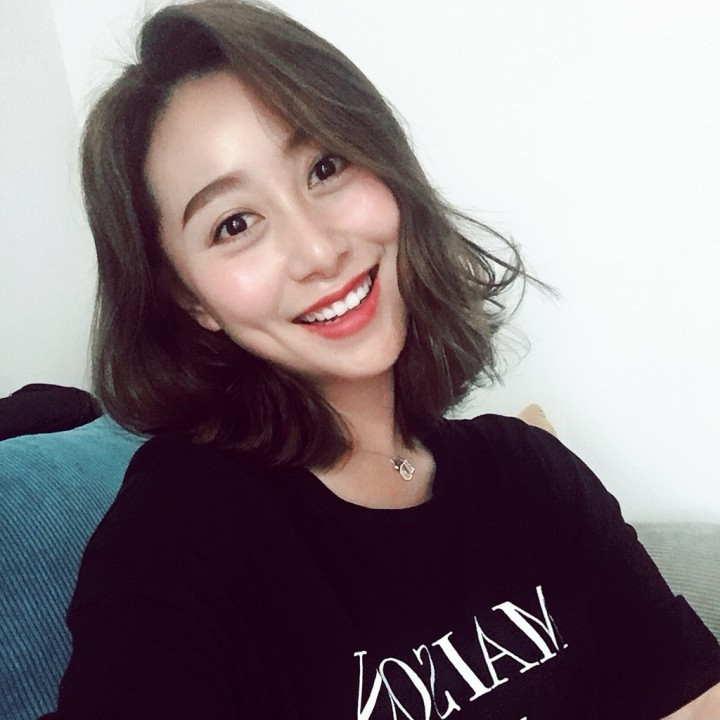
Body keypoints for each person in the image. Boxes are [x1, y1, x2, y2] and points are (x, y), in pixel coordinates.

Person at [41, 1, 720, 718]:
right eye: (234, 223)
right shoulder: (175, 538)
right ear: (189, 297)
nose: (318, 250)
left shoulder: (529, 474)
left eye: (325, 166)